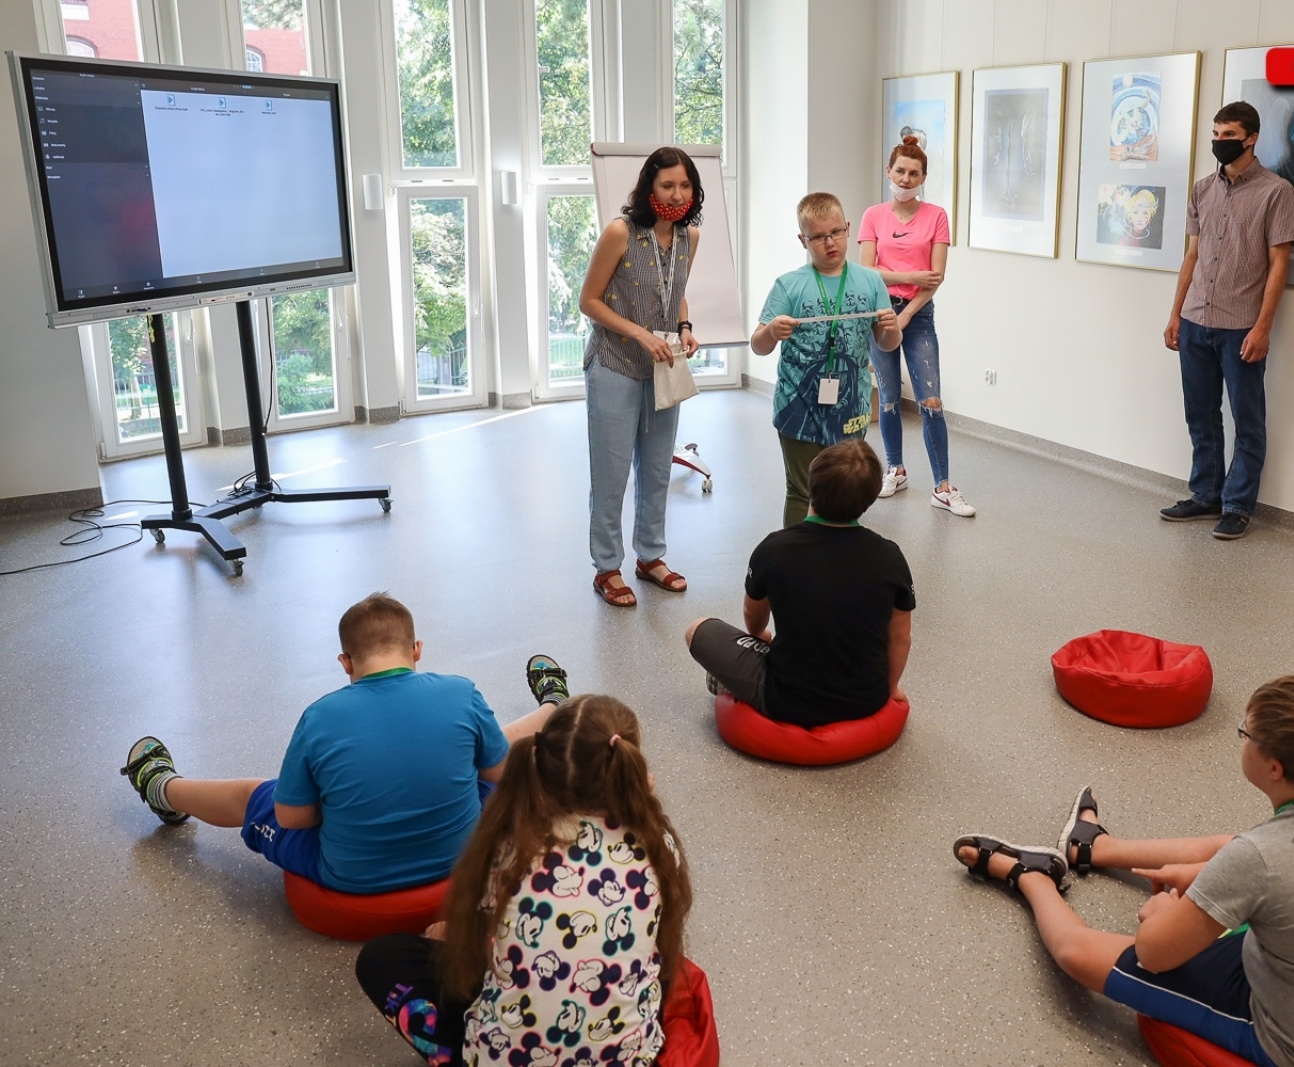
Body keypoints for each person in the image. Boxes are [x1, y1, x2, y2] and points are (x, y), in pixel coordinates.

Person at [953, 676, 1294, 1067]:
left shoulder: (1258, 859)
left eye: (1246, 733)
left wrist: (1163, 909)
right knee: (1229, 849)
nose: (1241, 738)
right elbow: (1287, 870)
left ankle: (1031, 874)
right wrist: (1207, 879)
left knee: (1078, 952)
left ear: (1274, 768)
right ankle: (1092, 849)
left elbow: (1155, 953)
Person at [119, 593, 573, 895]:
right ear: (416, 649)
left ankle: (161, 787)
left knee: (258, 795)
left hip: (353, 878)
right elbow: (497, 773)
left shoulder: (320, 717)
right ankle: (555, 706)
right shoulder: (460, 691)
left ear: (344, 662)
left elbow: (292, 817)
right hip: (466, 857)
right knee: (486, 751)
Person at [355, 694, 692, 1067]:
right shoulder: (657, 844)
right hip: (630, 1059)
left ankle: (451, 1052)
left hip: (500, 1055)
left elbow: (473, 956)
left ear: (540, 767)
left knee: (383, 956)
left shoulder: (510, 844)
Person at [684, 440, 914, 727]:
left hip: (786, 700)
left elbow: (753, 616)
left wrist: (759, 636)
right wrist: (890, 690)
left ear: (811, 486)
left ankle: (737, 683)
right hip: (866, 699)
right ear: (868, 500)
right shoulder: (890, 555)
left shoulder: (773, 549)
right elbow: (901, 636)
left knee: (697, 630)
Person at [1161, 102, 1294, 541]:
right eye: (1216, 134)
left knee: (1247, 420)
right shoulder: (1203, 189)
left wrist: (1263, 327)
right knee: (1200, 415)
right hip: (1195, 319)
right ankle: (1206, 494)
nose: (1221, 142)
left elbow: (1280, 264)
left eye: (1229, 134)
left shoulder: (1276, 192)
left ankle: (1238, 505)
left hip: (1241, 325)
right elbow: (1193, 254)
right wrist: (1175, 314)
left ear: (1252, 137)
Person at [578, 147, 703, 606]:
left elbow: (678, 293)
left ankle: (650, 557)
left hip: (663, 367)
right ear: (649, 187)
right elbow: (589, 300)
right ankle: (607, 567)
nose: (677, 193)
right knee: (611, 474)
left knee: (655, 469)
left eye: (685, 185)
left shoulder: (690, 237)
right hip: (614, 363)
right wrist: (639, 333)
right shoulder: (620, 233)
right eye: (668, 185)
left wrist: (684, 328)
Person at [751, 192, 901, 529]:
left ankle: (840, 559)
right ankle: (795, 562)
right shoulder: (789, 285)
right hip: (798, 405)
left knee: (847, 487)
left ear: (848, 228)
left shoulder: (871, 281)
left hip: (850, 406)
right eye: (818, 237)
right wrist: (772, 331)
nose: (829, 243)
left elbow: (887, 344)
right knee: (802, 490)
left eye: (835, 232)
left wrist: (892, 328)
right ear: (802, 239)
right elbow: (758, 346)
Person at [859, 135, 975, 517]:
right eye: (900, 171)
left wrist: (907, 312)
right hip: (881, 312)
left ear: (923, 177)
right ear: (888, 172)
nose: (906, 179)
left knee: (931, 401)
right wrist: (908, 276)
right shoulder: (873, 215)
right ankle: (895, 469)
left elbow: (936, 277)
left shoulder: (936, 216)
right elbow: (867, 272)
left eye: (914, 173)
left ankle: (942, 486)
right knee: (890, 399)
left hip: (918, 315)